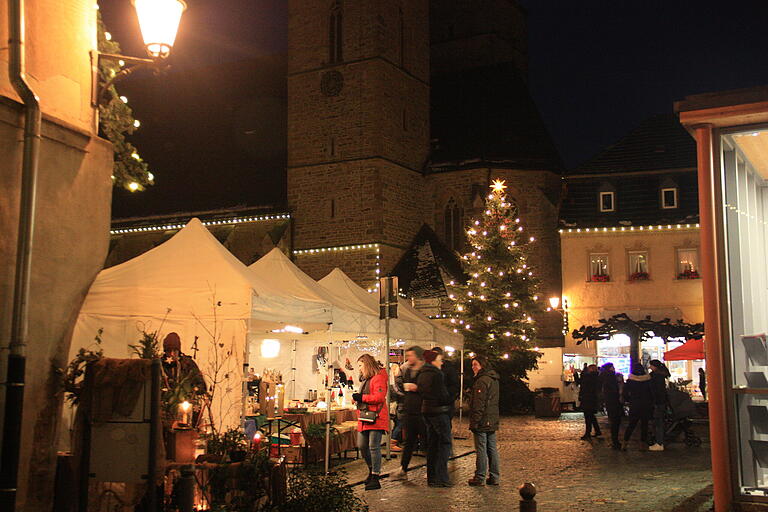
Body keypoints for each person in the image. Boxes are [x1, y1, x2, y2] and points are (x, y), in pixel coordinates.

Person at [352, 353, 390, 490]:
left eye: (361, 366)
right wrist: (358, 398)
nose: (360, 369)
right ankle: (371, 469)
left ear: (366, 365)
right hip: (365, 417)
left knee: (374, 446)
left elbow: (379, 397)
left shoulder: (378, 378)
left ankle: (375, 476)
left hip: (376, 417)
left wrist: (362, 398)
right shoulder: (366, 380)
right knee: (362, 445)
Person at [417, 349, 453, 487]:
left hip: (427, 411)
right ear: (433, 361)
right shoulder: (436, 374)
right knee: (444, 444)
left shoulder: (422, 373)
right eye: (439, 360)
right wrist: (449, 400)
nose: (441, 362)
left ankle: (431, 477)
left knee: (432, 444)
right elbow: (443, 395)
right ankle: (442, 477)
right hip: (439, 411)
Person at [393, 346, 426, 480]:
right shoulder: (407, 370)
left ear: (418, 356)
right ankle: (403, 468)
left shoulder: (425, 370)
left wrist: (417, 388)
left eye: (411, 355)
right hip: (410, 410)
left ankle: (432, 468)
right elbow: (401, 385)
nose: (408, 358)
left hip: (422, 411)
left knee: (426, 441)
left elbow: (430, 389)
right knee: (409, 442)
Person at [467, 355, 500, 487]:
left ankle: (479, 476)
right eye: (472, 365)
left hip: (483, 419)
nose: (473, 368)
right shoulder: (494, 379)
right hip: (491, 418)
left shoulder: (482, 381)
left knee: (481, 448)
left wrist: (475, 421)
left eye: (475, 365)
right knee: (492, 448)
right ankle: (494, 476)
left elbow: (479, 404)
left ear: (482, 366)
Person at [622, 363, 653, 450]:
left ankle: (625, 443)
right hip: (645, 404)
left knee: (632, 424)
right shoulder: (647, 380)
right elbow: (651, 392)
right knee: (644, 425)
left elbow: (625, 393)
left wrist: (629, 400)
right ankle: (642, 444)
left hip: (635, 404)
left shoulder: (630, 380)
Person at [600, 362, 624, 450]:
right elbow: (616, 390)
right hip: (614, 402)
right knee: (615, 422)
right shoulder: (611, 377)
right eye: (612, 367)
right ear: (610, 368)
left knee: (613, 421)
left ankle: (615, 441)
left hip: (609, 402)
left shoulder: (605, 377)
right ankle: (615, 441)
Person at [648, 359, 670, 451]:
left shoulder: (656, 377)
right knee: (658, 422)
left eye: (651, 365)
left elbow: (656, 391)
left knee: (658, 422)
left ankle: (659, 443)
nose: (650, 367)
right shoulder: (660, 375)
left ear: (655, 367)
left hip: (658, 402)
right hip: (661, 401)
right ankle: (659, 442)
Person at [432, 347, 460, 414]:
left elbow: (455, 386)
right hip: (432, 404)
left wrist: (446, 398)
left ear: (441, 356)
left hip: (446, 405)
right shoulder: (430, 368)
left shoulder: (449, 369)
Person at [578, 364, 601, 439]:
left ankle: (588, 433)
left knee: (588, 416)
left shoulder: (589, 377)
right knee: (591, 416)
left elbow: (582, 384)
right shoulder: (597, 377)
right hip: (592, 399)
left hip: (588, 398)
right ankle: (597, 431)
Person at [389, 362, 404, 452]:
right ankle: (392, 443)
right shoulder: (394, 382)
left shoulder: (394, 382)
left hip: (397, 405)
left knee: (398, 423)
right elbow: (396, 394)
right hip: (397, 405)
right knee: (399, 424)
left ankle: (394, 442)